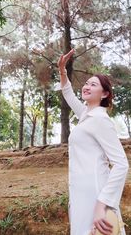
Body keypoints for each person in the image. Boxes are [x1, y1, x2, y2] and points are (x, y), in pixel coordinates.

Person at [57, 49, 129, 235]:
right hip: (80, 194)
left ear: (104, 94)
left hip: (96, 196)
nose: (87, 86)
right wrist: (62, 70)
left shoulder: (100, 120)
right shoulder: (85, 115)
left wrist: (102, 204)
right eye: (87, 83)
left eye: (94, 84)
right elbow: (67, 93)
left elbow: (121, 164)